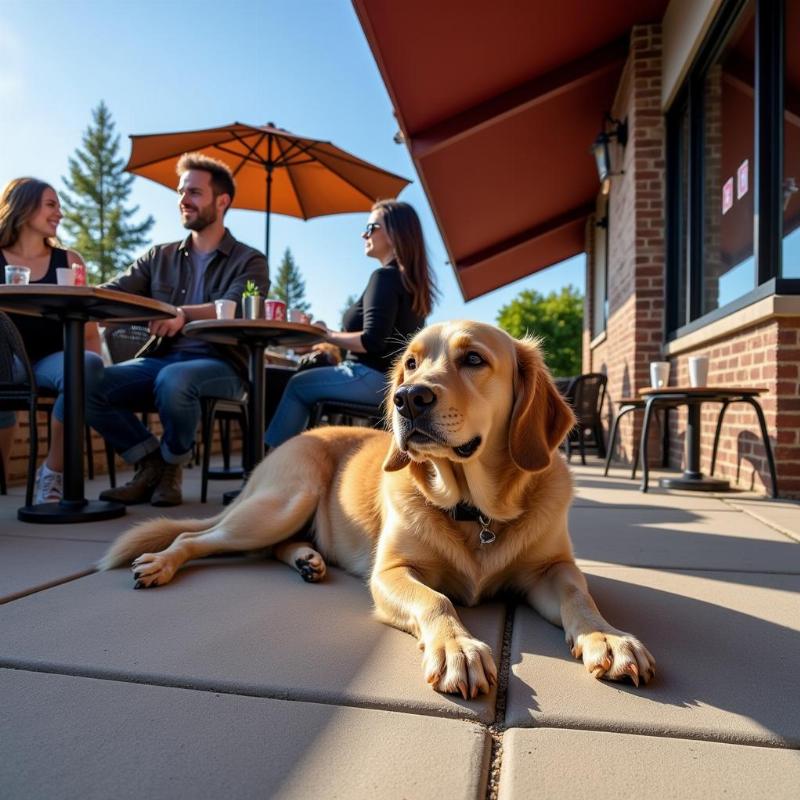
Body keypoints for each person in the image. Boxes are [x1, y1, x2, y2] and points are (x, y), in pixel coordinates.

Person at [87, 153, 268, 507]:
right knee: (86, 383)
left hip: (223, 365)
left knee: (175, 380)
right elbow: (113, 292)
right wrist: (81, 290)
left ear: (222, 201)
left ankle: (172, 466)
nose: (183, 200)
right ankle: (150, 461)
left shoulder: (250, 261)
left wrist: (180, 314)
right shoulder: (159, 257)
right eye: (181, 192)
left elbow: (231, 308)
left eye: (195, 193)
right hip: (162, 359)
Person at [265, 199, 437, 448]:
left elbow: (372, 342)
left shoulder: (384, 277)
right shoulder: (411, 284)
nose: (363, 234)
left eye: (371, 228)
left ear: (393, 233)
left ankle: (270, 464)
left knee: (296, 384)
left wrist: (325, 335)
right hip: (394, 381)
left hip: (370, 377)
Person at [0, 178, 104, 504]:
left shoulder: (69, 261)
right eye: (51, 204)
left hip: (51, 360)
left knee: (85, 366)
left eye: (58, 205)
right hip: (6, 359)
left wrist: (92, 375)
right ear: (24, 206)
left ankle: (53, 471)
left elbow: (87, 328)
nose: (59, 212)